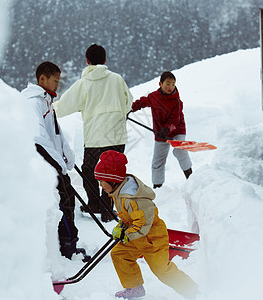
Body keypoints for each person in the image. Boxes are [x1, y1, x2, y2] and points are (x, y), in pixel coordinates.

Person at [94, 150, 198, 299]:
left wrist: (125, 233)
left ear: (112, 179)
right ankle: (134, 287)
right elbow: (130, 218)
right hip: (137, 237)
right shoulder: (119, 192)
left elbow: (143, 225)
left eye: (101, 181)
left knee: (162, 271)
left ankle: (193, 291)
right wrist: (122, 226)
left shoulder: (134, 199)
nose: (100, 185)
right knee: (119, 254)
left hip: (152, 239)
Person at [53, 44, 133, 222]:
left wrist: (46, 109)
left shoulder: (84, 84)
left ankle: (95, 204)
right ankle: (108, 208)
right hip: (117, 136)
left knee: (89, 170)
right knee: (113, 172)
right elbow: (129, 103)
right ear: (105, 60)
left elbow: (63, 106)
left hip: (95, 139)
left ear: (87, 61)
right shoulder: (117, 79)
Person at [21, 61, 89, 261]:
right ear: (42, 78)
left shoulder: (46, 101)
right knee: (63, 203)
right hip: (44, 162)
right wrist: (58, 163)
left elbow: (56, 134)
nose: (57, 84)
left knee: (68, 200)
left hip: (53, 161)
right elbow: (39, 138)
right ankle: (66, 248)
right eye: (55, 81)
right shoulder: (33, 102)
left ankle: (69, 244)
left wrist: (67, 155)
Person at [130, 71, 192, 189]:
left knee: (180, 151)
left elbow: (174, 121)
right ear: (160, 84)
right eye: (168, 84)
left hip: (177, 130)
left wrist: (167, 129)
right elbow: (142, 102)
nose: (170, 87)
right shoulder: (154, 97)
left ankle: (191, 178)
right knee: (158, 161)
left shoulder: (177, 102)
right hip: (160, 132)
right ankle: (158, 188)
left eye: (173, 84)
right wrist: (132, 108)